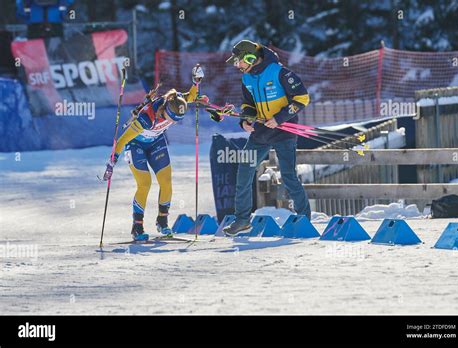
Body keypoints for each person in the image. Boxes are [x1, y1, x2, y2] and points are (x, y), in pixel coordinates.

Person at [211, 39, 312, 236]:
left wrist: (280, 118)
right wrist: (245, 122)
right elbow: (248, 105)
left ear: (250, 58)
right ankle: (242, 220)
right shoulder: (246, 78)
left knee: (289, 176)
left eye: (239, 61)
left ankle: (304, 218)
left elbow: (302, 98)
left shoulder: (280, 72)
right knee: (244, 172)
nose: (237, 65)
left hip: (285, 131)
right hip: (261, 131)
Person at [102, 66, 205, 241]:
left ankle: (162, 221)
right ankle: (137, 227)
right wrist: (111, 163)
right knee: (145, 184)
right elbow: (122, 140)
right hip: (136, 145)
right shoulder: (146, 118)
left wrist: (196, 81)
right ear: (164, 110)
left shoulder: (176, 102)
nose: (173, 122)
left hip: (156, 141)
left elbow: (191, 96)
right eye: (171, 118)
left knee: (166, 181)